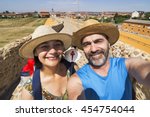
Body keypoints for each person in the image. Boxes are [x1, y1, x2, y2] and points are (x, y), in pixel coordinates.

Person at [67, 19, 150, 100]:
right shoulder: (76, 80)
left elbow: (141, 68)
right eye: (87, 44)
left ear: (108, 44)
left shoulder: (127, 65)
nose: (93, 49)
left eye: (98, 41)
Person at [19, 24, 78, 100]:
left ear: (63, 48)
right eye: (44, 46)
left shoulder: (73, 69)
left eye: (57, 44)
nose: (53, 51)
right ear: (36, 53)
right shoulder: (30, 91)